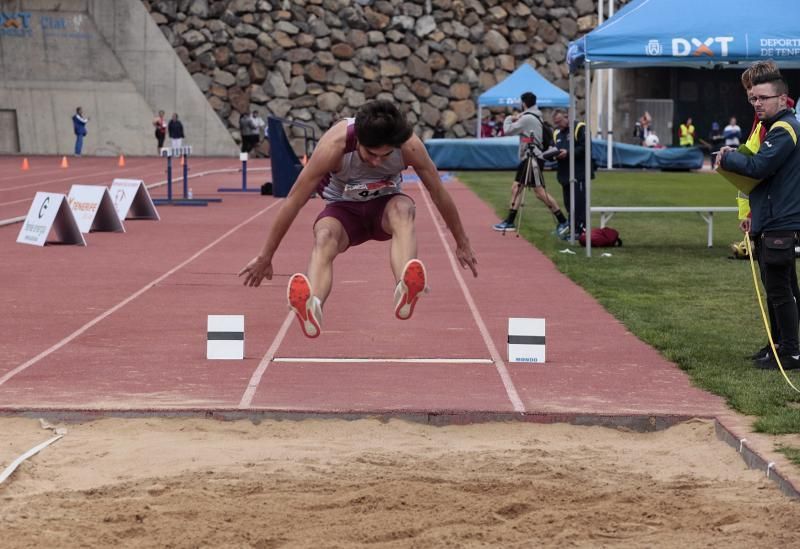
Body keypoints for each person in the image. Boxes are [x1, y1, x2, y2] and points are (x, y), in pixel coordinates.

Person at [238, 100, 478, 338]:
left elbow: (438, 192)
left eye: (385, 156)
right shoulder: (334, 146)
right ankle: (313, 305)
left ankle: (404, 288)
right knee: (324, 236)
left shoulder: (409, 146)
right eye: (371, 154)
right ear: (359, 141)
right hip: (343, 211)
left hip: (385, 206)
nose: (377, 162)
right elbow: (293, 201)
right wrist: (266, 256)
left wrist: (462, 241)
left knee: (404, 209)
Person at [718, 72, 800, 371]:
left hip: (782, 220)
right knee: (779, 286)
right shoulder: (774, 127)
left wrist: (727, 158)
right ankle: (778, 346)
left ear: (782, 98)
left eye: (763, 98)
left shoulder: (784, 129)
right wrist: (753, 215)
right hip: (771, 216)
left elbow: (759, 166)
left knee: (780, 288)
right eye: (754, 99)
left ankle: (790, 351)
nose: (757, 103)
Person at [492, 92, 568, 235]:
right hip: (531, 157)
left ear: (524, 103)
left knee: (539, 192)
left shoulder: (527, 118)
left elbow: (507, 130)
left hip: (531, 157)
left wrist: (510, 117)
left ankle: (562, 220)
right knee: (516, 188)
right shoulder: (536, 116)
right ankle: (509, 221)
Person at [552, 110, 593, 235]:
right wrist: (552, 154)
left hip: (579, 173)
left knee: (579, 203)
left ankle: (581, 230)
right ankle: (573, 229)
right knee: (569, 204)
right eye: (556, 123)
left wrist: (568, 153)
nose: (558, 125)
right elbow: (553, 148)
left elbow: (585, 147)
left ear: (567, 117)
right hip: (564, 174)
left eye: (559, 122)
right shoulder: (557, 133)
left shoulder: (580, 128)